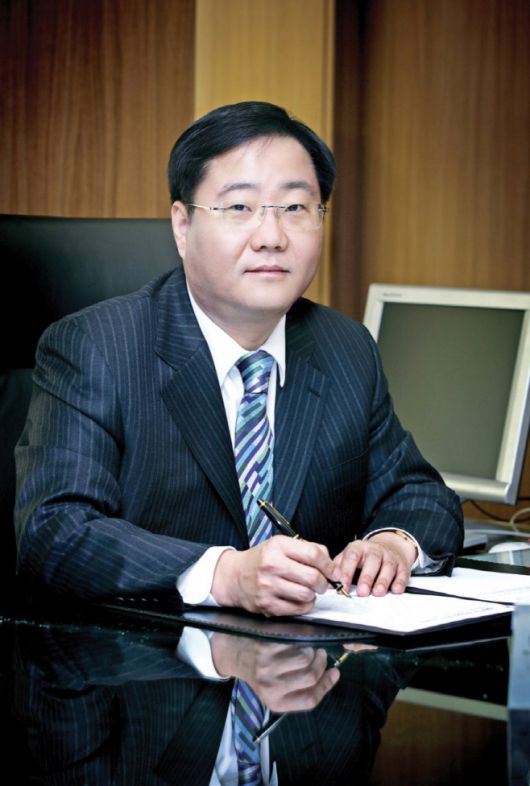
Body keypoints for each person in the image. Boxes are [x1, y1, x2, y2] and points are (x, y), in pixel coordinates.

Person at [14, 101, 463, 616]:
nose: (271, 237)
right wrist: (223, 575)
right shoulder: (96, 347)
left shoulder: (345, 348)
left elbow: (420, 494)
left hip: (310, 657)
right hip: (148, 657)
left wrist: (391, 544)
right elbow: (54, 530)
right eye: (239, 208)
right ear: (182, 226)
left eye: (296, 208)